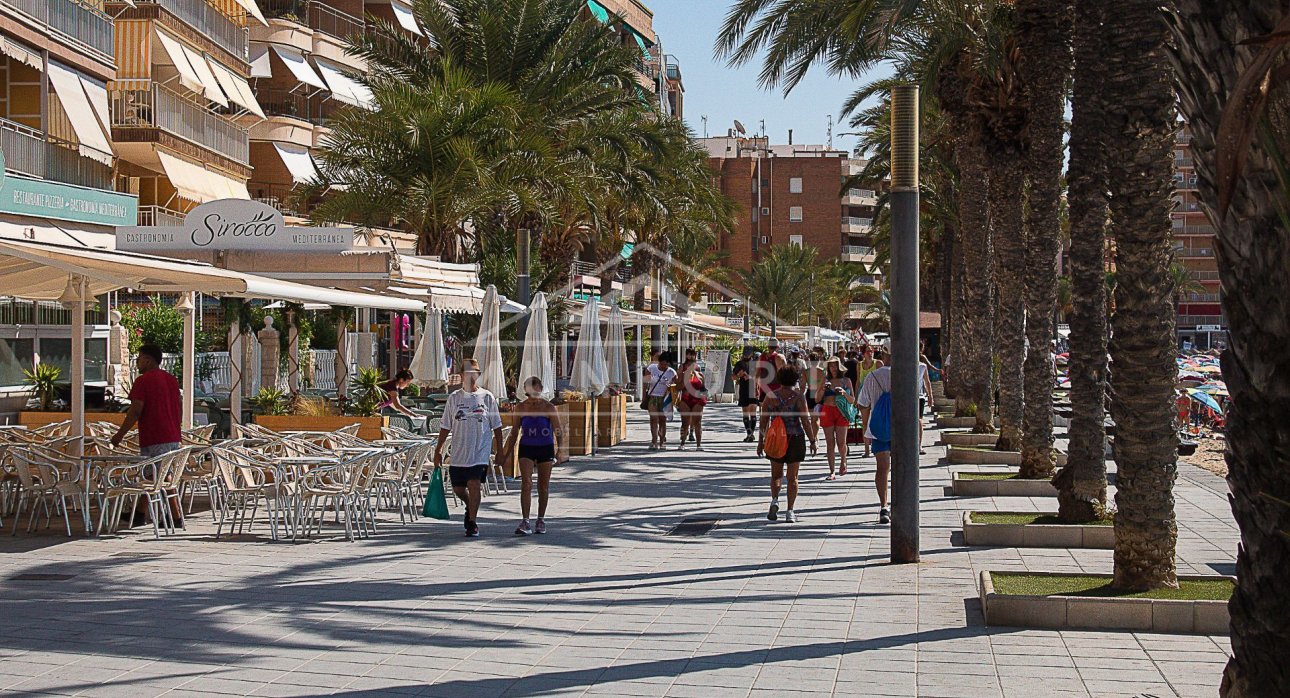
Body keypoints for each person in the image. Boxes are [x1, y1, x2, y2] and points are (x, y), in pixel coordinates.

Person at [111, 344, 183, 526]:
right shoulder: (171, 379)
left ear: (148, 360)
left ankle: (176, 517)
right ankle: (139, 514)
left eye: (140, 358)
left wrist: (119, 435)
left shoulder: (143, 381)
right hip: (172, 435)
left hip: (155, 435)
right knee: (153, 475)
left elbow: (135, 411)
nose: (137, 362)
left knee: (162, 476)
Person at [434, 359, 503, 537]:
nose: (471, 376)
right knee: (458, 488)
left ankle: (472, 522)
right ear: (462, 375)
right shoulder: (454, 398)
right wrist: (438, 449)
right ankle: (469, 505)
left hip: (479, 451)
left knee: (474, 484)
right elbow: (445, 426)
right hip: (459, 452)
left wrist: (500, 451)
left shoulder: (487, 397)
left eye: (474, 373)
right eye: (467, 373)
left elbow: (497, 426)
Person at [501, 376, 564, 535]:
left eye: (536, 388)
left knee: (543, 486)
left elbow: (558, 430)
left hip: (545, 448)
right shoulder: (521, 408)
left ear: (541, 389)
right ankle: (525, 520)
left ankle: (541, 519)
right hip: (526, 447)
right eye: (530, 389)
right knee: (526, 483)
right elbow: (514, 432)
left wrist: (560, 450)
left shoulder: (549, 407)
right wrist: (505, 454)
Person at [757, 365, 808, 523]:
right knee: (792, 477)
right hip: (795, 437)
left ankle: (775, 500)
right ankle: (790, 511)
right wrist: (812, 440)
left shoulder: (770, 396)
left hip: (776, 438)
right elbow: (805, 420)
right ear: (795, 379)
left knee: (776, 475)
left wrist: (760, 442)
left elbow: (763, 420)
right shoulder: (798, 397)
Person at [857, 358, 893, 524]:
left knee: (882, 468)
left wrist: (865, 427)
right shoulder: (907, 374)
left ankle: (884, 505)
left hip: (878, 428)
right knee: (903, 468)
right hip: (902, 429)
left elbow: (863, 404)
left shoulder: (872, 376)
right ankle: (901, 503)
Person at [818, 358, 857, 480]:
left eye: (835, 366)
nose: (834, 368)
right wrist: (822, 389)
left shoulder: (846, 381)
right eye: (831, 366)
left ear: (840, 367)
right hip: (827, 410)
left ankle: (843, 461)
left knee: (841, 442)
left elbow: (852, 400)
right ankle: (832, 471)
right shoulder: (825, 380)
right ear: (828, 368)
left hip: (841, 412)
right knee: (830, 442)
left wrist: (844, 393)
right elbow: (817, 399)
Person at [855, 346, 885, 458]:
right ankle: (867, 449)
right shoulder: (859, 365)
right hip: (864, 394)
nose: (870, 353)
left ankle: (878, 445)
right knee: (865, 422)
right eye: (868, 351)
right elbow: (858, 381)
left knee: (877, 420)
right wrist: (856, 397)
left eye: (872, 351)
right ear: (863, 353)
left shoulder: (878, 363)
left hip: (876, 395)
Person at [645, 351, 677, 451]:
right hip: (653, 396)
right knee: (653, 419)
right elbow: (645, 383)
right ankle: (654, 441)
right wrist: (644, 396)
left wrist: (671, 387)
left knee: (662, 420)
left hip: (665, 398)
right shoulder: (651, 368)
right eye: (661, 363)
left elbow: (677, 387)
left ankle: (662, 441)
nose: (663, 366)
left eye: (666, 364)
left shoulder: (671, 372)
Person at [675, 354, 708, 450]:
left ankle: (699, 445)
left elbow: (703, 389)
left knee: (697, 422)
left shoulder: (700, 375)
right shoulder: (683, 374)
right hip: (685, 398)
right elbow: (678, 388)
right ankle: (682, 443)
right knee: (685, 422)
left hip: (697, 399)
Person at [733, 348, 759, 442]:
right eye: (745, 354)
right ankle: (749, 433)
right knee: (745, 412)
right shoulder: (739, 364)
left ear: (751, 354)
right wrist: (738, 375)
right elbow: (733, 377)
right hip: (744, 389)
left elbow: (761, 377)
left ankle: (750, 434)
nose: (746, 356)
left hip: (753, 389)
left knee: (753, 411)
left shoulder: (756, 364)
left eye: (747, 354)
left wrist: (751, 377)